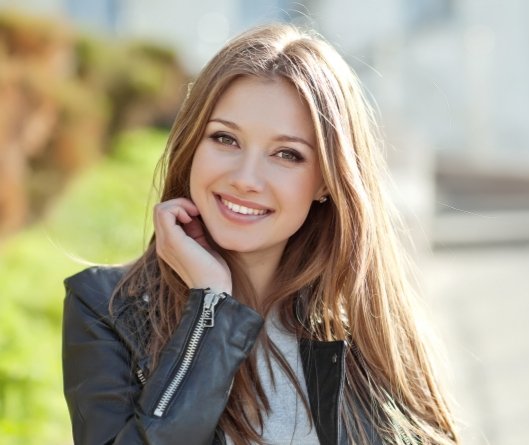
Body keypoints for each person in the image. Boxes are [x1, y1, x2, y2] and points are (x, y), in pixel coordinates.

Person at [62, 23, 458, 445]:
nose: (247, 178)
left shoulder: (363, 331)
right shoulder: (109, 309)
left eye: (287, 154)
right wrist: (210, 309)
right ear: (192, 145)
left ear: (326, 180)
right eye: (225, 139)